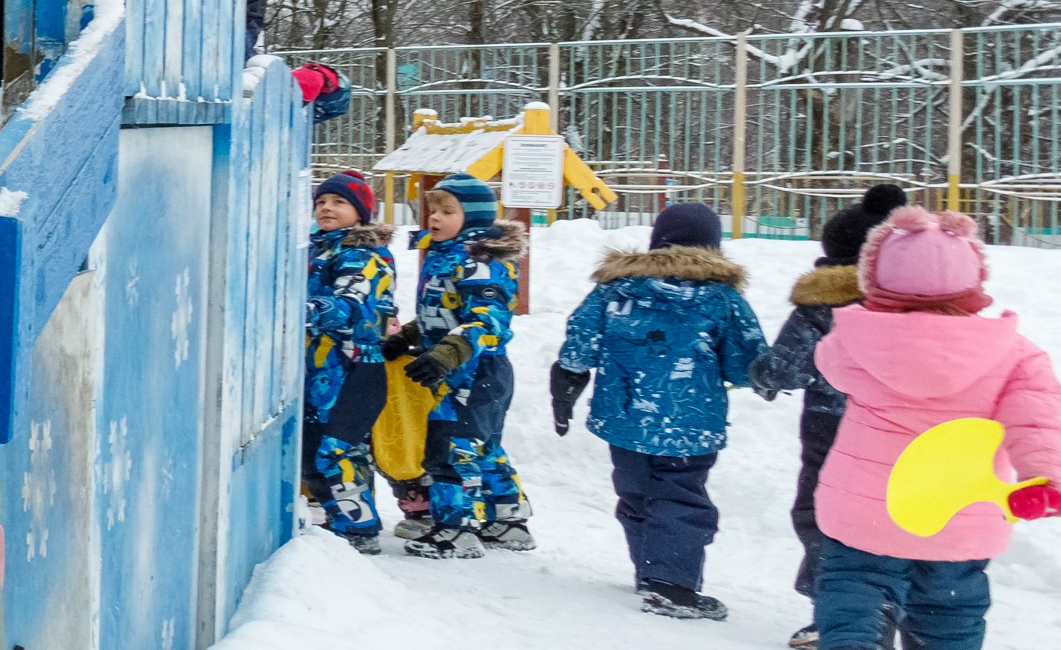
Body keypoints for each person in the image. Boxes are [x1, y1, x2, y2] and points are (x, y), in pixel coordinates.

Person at [804, 206, 1061, 650]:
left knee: (856, 582)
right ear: (974, 280)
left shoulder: (852, 342)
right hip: (961, 506)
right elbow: (1037, 422)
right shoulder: (1016, 354)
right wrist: (1047, 480)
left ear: (875, 278)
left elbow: (827, 366)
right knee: (952, 601)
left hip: (869, 504)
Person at [551, 200, 768, 619]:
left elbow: (580, 343)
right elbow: (746, 361)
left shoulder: (616, 289)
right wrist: (765, 378)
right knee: (681, 496)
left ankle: (650, 570)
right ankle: (671, 583)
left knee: (636, 492)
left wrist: (565, 388)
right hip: (690, 422)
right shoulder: (721, 298)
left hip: (624, 417)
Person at [750, 183, 908, 650]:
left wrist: (762, 377)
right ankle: (890, 606)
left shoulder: (823, 306)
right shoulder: (912, 303)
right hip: (902, 429)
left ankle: (835, 613)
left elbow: (786, 366)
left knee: (823, 515)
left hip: (832, 426)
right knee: (892, 516)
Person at [398, 173, 528, 558]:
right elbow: (445, 312)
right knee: (484, 447)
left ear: (472, 217)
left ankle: (456, 530)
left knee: (451, 448)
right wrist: (409, 335)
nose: (434, 217)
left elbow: (488, 319)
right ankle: (507, 520)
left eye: (447, 210)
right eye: (432, 209)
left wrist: (449, 351)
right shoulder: (449, 254)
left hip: (476, 370)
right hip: (460, 368)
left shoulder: (481, 262)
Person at [303, 171, 394, 552]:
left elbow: (352, 306)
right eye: (321, 201)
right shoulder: (318, 249)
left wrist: (297, 309)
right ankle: (339, 519)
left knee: (339, 449)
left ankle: (359, 529)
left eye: (339, 202)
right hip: (321, 370)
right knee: (312, 450)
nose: (327, 207)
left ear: (360, 213)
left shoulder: (362, 255)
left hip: (355, 369)